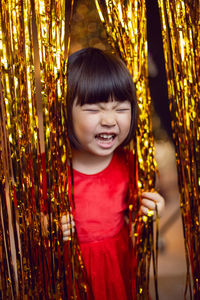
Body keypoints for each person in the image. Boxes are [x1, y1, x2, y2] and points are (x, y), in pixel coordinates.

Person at [61, 47, 165, 300]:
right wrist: (49, 227)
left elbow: (136, 210)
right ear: (64, 112)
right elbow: (23, 222)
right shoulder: (50, 170)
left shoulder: (129, 163)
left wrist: (152, 207)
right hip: (71, 272)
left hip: (118, 266)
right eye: (94, 109)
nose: (109, 120)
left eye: (120, 109)